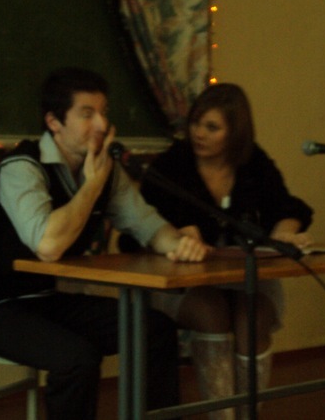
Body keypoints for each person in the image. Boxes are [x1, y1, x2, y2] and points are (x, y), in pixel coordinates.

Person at [0, 67, 209, 420]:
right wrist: (91, 186)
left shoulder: (103, 170)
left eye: (104, 112)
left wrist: (179, 243)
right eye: (87, 114)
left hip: (42, 300)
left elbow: (148, 225)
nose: (102, 125)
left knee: (155, 330)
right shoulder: (21, 168)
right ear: (54, 122)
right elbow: (48, 245)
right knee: (77, 359)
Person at [131, 83, 314, 419]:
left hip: (241, 276)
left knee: (253, 317)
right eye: (195, 123)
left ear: (235, 133)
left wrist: (285, 230)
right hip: (182, 280)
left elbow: (287, 206)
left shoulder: (253, 161)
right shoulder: (171, 164)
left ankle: (248, 416)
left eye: (211, 127)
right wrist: (173, 236)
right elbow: (138, 230)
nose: (199, 133)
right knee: (210, 311)